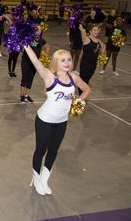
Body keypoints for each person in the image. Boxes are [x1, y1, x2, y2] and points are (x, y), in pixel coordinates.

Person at [23, 46, 90, 196]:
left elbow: (87, 89)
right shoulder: (49, 76)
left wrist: (78, 101)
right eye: (63, 60)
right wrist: (26, 45)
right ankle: (36, 179)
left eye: (69, 60)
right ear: (56, 62)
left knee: (53, 150)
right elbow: (35, 61)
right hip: (45, 120)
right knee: (41, 150)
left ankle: (45, 180)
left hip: (62, 121)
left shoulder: (74, 77)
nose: (67, 63)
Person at [20, 25, 50, 103]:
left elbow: (47, 46)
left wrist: (44, 55)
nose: (37, 31)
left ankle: (27, 96)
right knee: (24, 78)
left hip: (35, 63)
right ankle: (22, 96)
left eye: (39, 30)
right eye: (36, 29)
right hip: (26, 61)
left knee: (31, 78)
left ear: (41, 32)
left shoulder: (41, 40)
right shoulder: (29, 39)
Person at [78, 24, 105, 95]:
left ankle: (83, 95)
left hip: (93, 64)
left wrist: (101, 56)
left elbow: (104, 47)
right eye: (94, 30)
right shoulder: (87, 39)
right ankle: (82, 96)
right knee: (83, 80)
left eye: (97, 30)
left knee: (87, 79)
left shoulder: (98, 40)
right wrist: (81, 29)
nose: (96, 32)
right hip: (85, 63)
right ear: (90, 31)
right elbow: (83, 32)